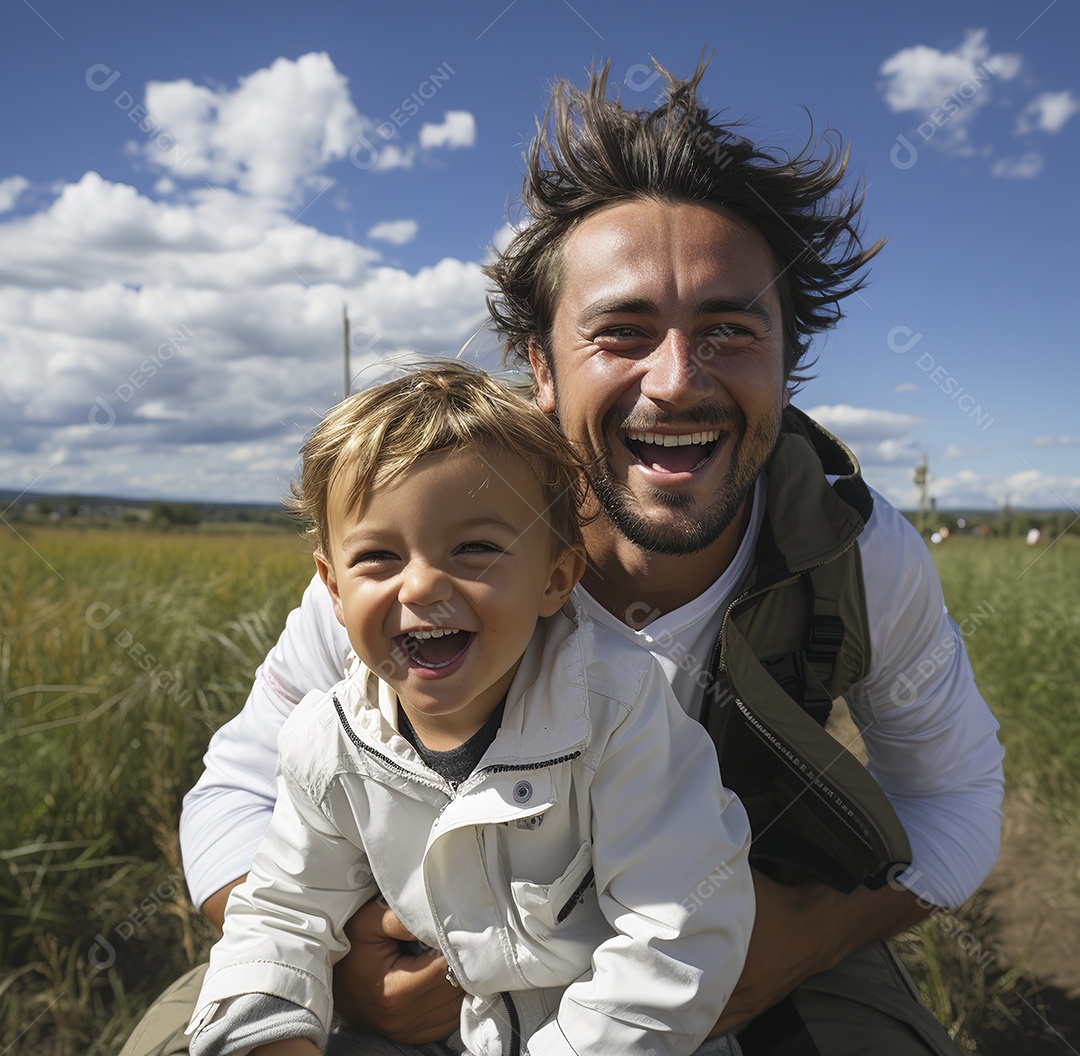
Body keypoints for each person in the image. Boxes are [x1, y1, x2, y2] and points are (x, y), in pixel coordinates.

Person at [122, 59, 1004, 1056]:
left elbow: (956, 794)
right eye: (621, 333)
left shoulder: (854, 551)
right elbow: (239, 790)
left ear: (788, 360)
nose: (677, 382)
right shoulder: (426, 544)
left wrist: (808, 938)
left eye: (729, 331)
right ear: (540, 364)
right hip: (428, 942)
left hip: (738, 951)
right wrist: (350, 966)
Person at [184, 362, 754, 1056]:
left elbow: (679, 929)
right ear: (332, 590)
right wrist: (270, 1037)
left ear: (555, 579)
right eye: (378, 557)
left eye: (476, 549)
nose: (421, 584)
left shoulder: (617, 711)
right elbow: (283, 913)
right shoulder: (327, 742)